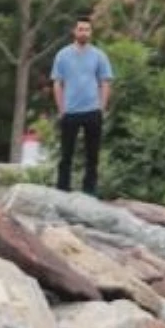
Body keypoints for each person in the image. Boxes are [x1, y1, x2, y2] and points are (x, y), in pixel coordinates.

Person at [51, 15, 113, 196]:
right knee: (66, 155)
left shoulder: (99, 56)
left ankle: (89, 191)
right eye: (81, 29)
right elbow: (57, 83)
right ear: (74, 31)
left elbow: (105, 82)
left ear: (91, 32)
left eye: (87, 29)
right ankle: (62, 189)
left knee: (92, 156)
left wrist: (101, 107)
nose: (84, 32)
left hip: (92, 111)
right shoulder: (63, 55)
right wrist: (61, 108)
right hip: (70, 111)